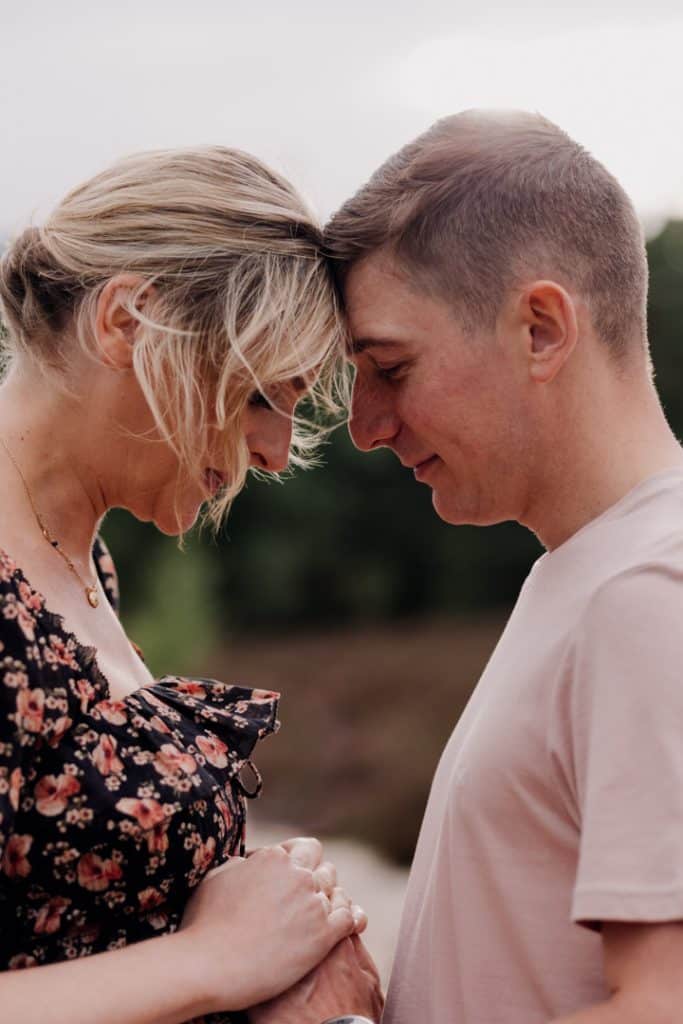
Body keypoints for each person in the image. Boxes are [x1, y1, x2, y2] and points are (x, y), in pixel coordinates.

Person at [0, 147, 382, 1024]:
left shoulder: (73, 563)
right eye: (259, 396)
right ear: (128, 321)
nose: (275, 454)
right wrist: (220, 960)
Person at [324, 110, 683, 1023]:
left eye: (391, 368)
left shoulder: (647, 591)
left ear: (538, 328)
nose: (365, 427)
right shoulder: (590, 573)